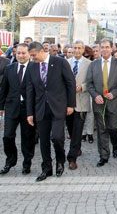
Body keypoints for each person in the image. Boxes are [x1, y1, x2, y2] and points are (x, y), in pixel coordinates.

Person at [26, 42, 76, 181]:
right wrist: (30, 113)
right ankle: (46, 168)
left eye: (34, 55)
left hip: (58, 107)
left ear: (42, 51)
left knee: (57, 137)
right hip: (41, 109)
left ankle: (60, 162)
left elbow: (70, 83)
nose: (32, 58)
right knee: (43, 141)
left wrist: (71, 104)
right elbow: (30, 90)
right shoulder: (32, 66)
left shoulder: (59, 62)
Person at [86, 38, 117, 167]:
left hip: (114, 102)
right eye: (102, 47)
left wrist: (114, 93)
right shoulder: (93, 64)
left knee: (114, 127)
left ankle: (115, 144)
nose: (104, 50)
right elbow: (89, 83)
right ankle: (103, 156)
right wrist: (95, 95)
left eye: (106, 47)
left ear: (111, 47)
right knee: (102, 129)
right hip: (99, 102)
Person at [0, 44, 35, 175]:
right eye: (18, 53)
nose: (20, 55)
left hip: (28, 109)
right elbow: (4, 89)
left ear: (29, 54)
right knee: (7, 136)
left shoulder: (34, 68)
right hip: (11, 107)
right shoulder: (9, 68)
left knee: (27, 137)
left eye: (23, 53)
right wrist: (1, 107)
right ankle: (10, 160)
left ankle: (27, 163)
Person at [65, 40, 92, 170]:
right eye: (74, 47)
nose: (76, 50)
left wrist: (82, 86)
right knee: (70, 129)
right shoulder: (66, 63)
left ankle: (72, 158)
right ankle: (77, 148)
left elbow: (91, 81)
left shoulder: (89, 64)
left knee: (77, 130)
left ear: (83, 50)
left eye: (79, 48)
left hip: (81, 101)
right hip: (68, 102)